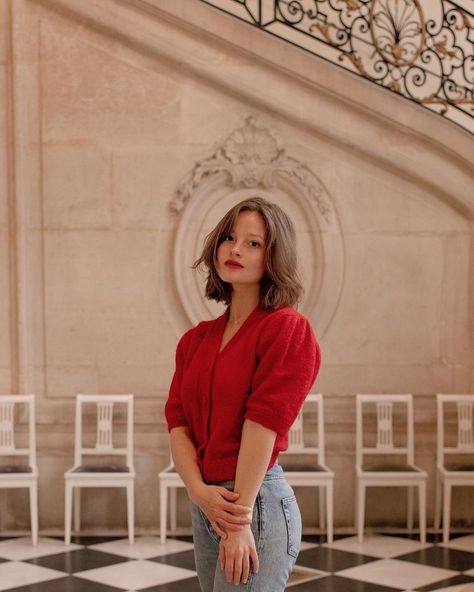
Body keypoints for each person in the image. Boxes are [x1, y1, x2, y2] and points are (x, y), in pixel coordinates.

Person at [165, 196, 321, 591]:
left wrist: (241, 518)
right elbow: (178, 423)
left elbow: (263, 423)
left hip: (255, 502)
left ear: (274, 257)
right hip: (207, 503)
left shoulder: (286, 329)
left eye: (253, 243)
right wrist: (199, 493)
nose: (236, 249)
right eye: (230, 238)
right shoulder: (194, 341)